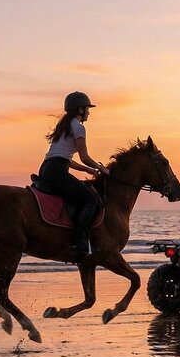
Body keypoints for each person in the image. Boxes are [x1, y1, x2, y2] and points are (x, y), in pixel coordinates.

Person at [38, 91, 109, 261]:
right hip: (57, 171)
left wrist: (88, 171)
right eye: (87, 108)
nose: (89, 112)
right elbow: (84, 156)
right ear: (80, 109)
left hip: (48, 168)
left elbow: (65, 159)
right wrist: (101, 168)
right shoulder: (78, 127)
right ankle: (79, 242)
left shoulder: (64, 126)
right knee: (90, 199)